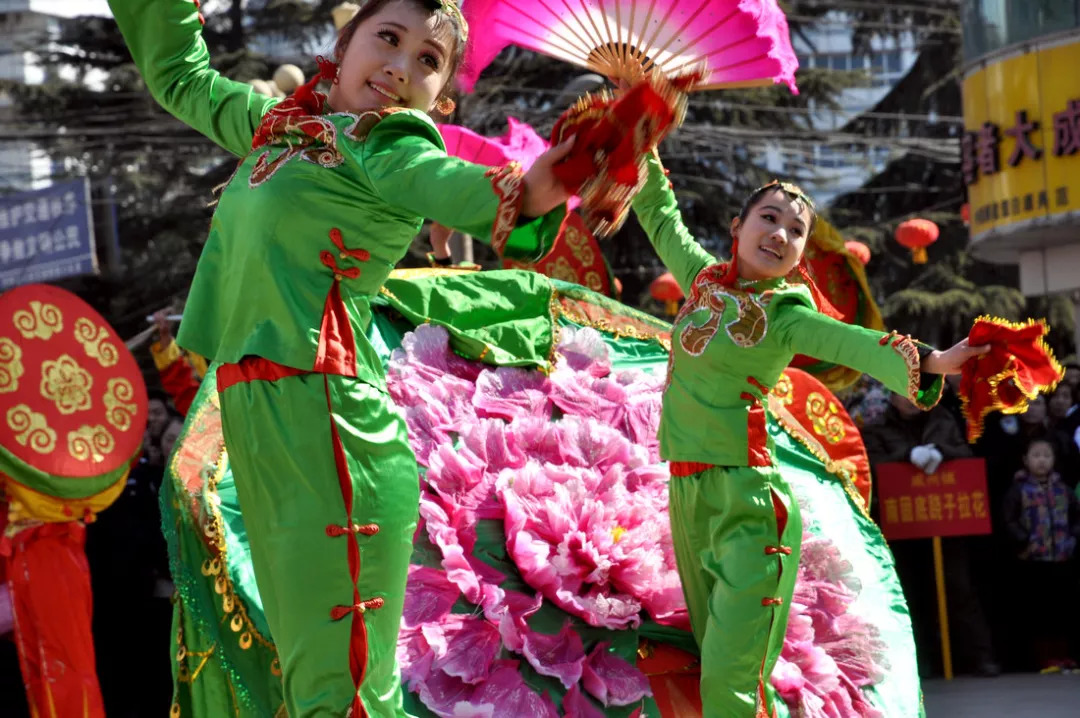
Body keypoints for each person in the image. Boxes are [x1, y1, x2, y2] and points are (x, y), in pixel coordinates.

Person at [107, 0, 576, 714]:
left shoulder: (389, 147)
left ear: (439, 95)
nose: (398, 67)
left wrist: (575, 164)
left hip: (330, 427)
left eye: (427, 60)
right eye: (387, 39)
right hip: (265, 413)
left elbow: (484, 192)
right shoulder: (281, 128)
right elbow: (180, 73)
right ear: (345, 40)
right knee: (308, 684)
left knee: (342, 692)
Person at [629, 155, 987, 716]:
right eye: (769, 219)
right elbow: (659, 214)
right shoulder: (700, 280)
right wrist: (640, 122)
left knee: (730, 684)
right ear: (737, 228)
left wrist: (938, 360)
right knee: (717, 672)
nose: (780, 234)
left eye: (796, 231)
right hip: (687, 496)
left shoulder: (786, 314)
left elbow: (857, 343)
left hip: (748, 508)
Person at [863, 391, 1000, 678]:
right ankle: (917, 665)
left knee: (959, 589)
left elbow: (965, 454)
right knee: (909, 594)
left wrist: (941, 451)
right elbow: (870, 467)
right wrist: (906, 456)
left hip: (945, 523)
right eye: (903, 395)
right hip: (901, 526)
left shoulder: (943, 420)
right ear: (892, 397)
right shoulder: (877, 428)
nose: (910, 401)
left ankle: (978, 658)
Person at [1002, 437, 1080, 671]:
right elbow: (1009, 520)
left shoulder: (1063, 489)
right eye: (1036, 455)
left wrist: (1073, 538)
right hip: (1033, 560)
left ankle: (1064, 655)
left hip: (1062, 558)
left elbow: (1076, 517)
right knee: (1039, 611)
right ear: (1026, 460)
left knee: (1064, 609)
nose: (1042, 461)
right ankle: (1044, 658)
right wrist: (1023, 540)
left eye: (1047, 455)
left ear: (1054, 460)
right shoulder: (1019, 490)